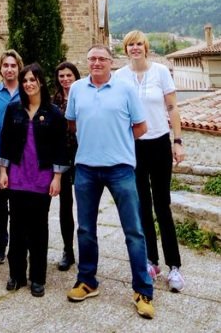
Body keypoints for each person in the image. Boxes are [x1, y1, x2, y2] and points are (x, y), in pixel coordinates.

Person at [65, 44, 155, 320]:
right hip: (86, 169)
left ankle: (143, 290)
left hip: (121, 169)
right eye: (91, 58)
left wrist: (118, 144)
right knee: (86, 230)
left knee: (134, 231)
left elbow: (141, 127)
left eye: (101, 58)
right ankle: (87, 281)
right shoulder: (77, 89)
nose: (96, 63)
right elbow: (72, 123)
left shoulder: (126, 88)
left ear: (111, 62)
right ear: (87, 62)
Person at [116, 30, 185, 292]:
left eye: (139, 44)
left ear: (146, 47)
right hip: (132, 146)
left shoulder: (161, 72)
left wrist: (177, 141)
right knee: (142, 205)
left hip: (158, 143)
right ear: (126, 49)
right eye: (130, 44)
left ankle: (174, 267)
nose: (135, 48)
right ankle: (151, 261)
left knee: (162, 205)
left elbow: (172, 108)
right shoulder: (120, 77)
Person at [0, 63, 68, 297]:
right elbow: (6, 142)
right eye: (25, 80)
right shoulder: (13, 109)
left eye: (32, 79)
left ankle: (37, 277)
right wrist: (3, 172)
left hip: (42, 177)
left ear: (40, 82)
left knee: (39, 228)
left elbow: (61, 147)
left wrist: (57, 177)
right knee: (16, 227)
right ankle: (16, 274)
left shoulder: (54, 113)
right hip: (17, 176)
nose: (28, 84)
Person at [0, 49, 23, 265]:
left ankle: (18, 246)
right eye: (5, 66)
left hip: (20, 160)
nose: (9, 69)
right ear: (0, 69)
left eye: (13, 65)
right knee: (0, 206)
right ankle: (0, 245)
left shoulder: (27, 92)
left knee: (19, 206)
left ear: (18, 67)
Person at [52, 61, 81, 272]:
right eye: (61, 76)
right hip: (62, 156)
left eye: (68, 75)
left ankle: (88, 250)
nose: (65, 79)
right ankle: (67, 250)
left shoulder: (84, 96)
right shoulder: (54, 101)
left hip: (83, 156)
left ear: (75, 76)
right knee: (65, 206)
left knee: (86, 205)